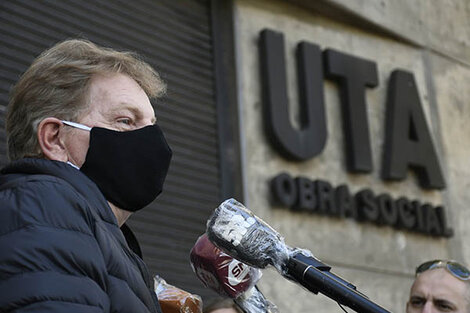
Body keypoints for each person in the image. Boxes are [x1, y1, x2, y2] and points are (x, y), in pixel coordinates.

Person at [0, 39, 172, 312]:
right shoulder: (44, 206)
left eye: (151, 125)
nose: (153, 141)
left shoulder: (93, 229)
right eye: (125, 121)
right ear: (55, 138)